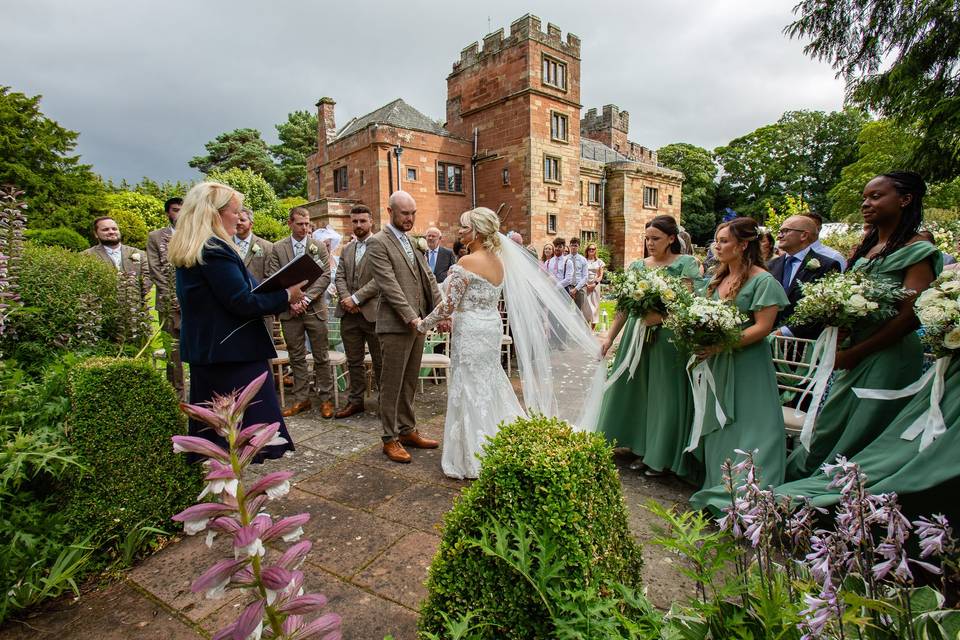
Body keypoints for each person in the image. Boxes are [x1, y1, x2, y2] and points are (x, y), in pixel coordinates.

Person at [417, 207, 607, 479]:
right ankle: (494, 437)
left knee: (469, 385)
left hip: (470, 330)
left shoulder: (466, 263)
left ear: (479, 231)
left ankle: (472, 453)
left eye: (465, 227)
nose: (460, 231)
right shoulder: (500, 262)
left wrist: (422, 324)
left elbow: (448, 307)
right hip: (490, 326)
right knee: (488, 381)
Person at [785, 172, 941, 480]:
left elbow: (910, 316)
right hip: (852, 350)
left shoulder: (918, 250)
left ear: (905, 199)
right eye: (865, 197)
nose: (865, 203)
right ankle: (808, 480)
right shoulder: (870, 247)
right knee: (830, 423)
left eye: (875, 196)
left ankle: (849, 496)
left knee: (864, 425)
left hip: (887, 353)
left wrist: (859, 351)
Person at [168, 182, 303, 463]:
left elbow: (246, 292)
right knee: (238, 432)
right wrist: (287, 294)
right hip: (232, 354)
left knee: (219, 433)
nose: (239, 217)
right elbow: (242, 302)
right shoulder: (214, 249)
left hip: (213, 352)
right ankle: (236, 493)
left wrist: (282, 296)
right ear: (215, 214)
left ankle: (226, 481)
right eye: (235, 211)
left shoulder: (197, 247)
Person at [688, 217, 789, 513]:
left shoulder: (762, 280)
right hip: (718, 363)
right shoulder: (716, 280)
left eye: (724, 241)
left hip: (748, 366)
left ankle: (747, 494)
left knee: (748, 425)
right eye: (716, 241)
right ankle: (717, 482)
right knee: (720, 425)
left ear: (743, 245)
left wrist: (721, 343)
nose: (717, 246)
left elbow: (762, 327)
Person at [598, 215, 701, 477]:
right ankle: (635, 442)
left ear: (671, 238)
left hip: (668, 338)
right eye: (647, 239)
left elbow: (688, 304)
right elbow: (623, 306)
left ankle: (658, 453)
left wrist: (663, 317)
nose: (650, 243)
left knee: (662, 394)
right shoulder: (637, 267)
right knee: (635, 388)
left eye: (655, 238)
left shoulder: (685, 264)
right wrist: (610, 337)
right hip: (636, 335)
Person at [367, 191, 442, 463]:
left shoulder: (413, 241)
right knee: (391, 384)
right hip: (396, 324)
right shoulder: (378, 243)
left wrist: (441, 310)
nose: (410, 218)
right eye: (404, 213)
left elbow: (429, 278)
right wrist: (411, 317)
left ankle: (408, 429)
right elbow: (389, 285)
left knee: (410, 381)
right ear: (390, 211)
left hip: (418, 323)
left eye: (412, 213)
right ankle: (390, 438)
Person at [266, 208, 336, 419]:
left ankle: (325, 399)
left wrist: (305, 299)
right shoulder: (278, 248)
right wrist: (291, 300)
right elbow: (273, 277)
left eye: (307, 224)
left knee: (321, 356)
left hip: (314, 309)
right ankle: (301, 399)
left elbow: (325, 276)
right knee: (296, 356)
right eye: (300, 224)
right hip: (290, 312)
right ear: (290, 223)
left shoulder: (318, 247)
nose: (305, 228)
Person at [333, 205, 382, 419]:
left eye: (363, 221)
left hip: (372, 314)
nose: (359, 225)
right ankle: (356, 401)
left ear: (371, 221)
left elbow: (380, 279)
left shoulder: (381, 246)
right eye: (355, 221)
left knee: (380, 361)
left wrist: (356, 298)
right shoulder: (347, 249)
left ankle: (384, 403)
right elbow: (340, 276)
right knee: (353, 360)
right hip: (348, 314)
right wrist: (346, 299)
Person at [769, 215, 842, 338]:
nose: (779, 236)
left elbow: (823, 308)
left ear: (804, 235)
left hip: (802, 343)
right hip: (768, 338)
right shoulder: (771, 265)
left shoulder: (827, 265)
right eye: (780, 231)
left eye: (785, 231)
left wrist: (787, 332)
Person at [147, 197, 184, 399]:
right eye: (176, 210)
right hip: (169, 303)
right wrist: (174, 298)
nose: (181, 214)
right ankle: (177, 394)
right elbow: (155, 270)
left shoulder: (197, 235)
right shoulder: (155, 237)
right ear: (168, 213)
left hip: (195, 304)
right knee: (174, 351)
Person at [84, 216, 151, 297]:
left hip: (134, 304)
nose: (111, 232)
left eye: (114, 229)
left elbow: (149, 276)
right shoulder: (86, 256)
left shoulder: (139, 253)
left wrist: (135, 294)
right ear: (96, 234)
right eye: (105, 230)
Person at [234, 208, 273, 282]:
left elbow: (269, 275)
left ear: (251, 224)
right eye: (236, 220)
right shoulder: (225, 244)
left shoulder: (267, 246)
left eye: (242, 220)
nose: (238, 223)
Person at [557, 237, 589, 310]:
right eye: (572, 245)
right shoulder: (565, 259)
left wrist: (576, 289)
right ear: (569, 246)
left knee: (579, 311)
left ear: (579, 247)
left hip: (579, 288)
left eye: (575, 245)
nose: (573, 247)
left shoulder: (583, 260)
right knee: (565, 309)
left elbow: (585, 276)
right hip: (567, 287)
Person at [580, 243, 605, 327]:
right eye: (590, 249)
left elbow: (601, 275)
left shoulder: (599, 262)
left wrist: (595, 284)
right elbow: (580, 273)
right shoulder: (583, 260)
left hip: (595, 286)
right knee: (585, 307)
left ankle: (592, 330)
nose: (591, 250)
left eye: (593, 249)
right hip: (585, 285)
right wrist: (586, 284)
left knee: (595, 307)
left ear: (595, 251)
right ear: (587, 250)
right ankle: (586, 329)